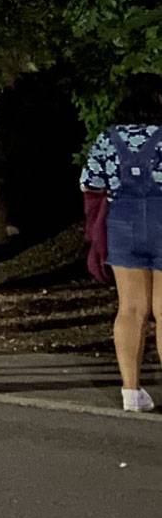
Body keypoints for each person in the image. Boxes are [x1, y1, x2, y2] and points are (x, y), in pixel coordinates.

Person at [81, 72, 162, 413]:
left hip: (122, 220)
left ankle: (131, 390)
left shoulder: (107, 139)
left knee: (130, 308)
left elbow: (89, 182)